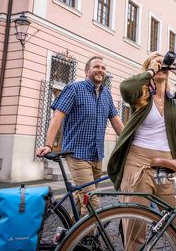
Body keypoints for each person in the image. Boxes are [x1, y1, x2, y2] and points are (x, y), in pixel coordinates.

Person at [108, 52, 176, 250]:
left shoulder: (175, 99)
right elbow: (125, 87)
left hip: (168, 165)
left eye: (164, 63)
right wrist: (151, 70)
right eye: (157, 62)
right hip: (138, 164)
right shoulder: (139, 95)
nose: (162, 65)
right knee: (135, 231)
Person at [36, 56, 124, 216]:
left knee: (81, 198)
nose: (101, 70)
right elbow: (57, 117)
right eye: (97, 67)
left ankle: (71, 234)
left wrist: (130, 143)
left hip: (97, 154)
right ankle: (89, 238)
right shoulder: (74, 88)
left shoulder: (106, 94)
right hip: (77, 154)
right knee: (92, 201)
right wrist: (48, 145)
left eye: (103, 68)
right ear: (87, 71)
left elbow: (117, 122)